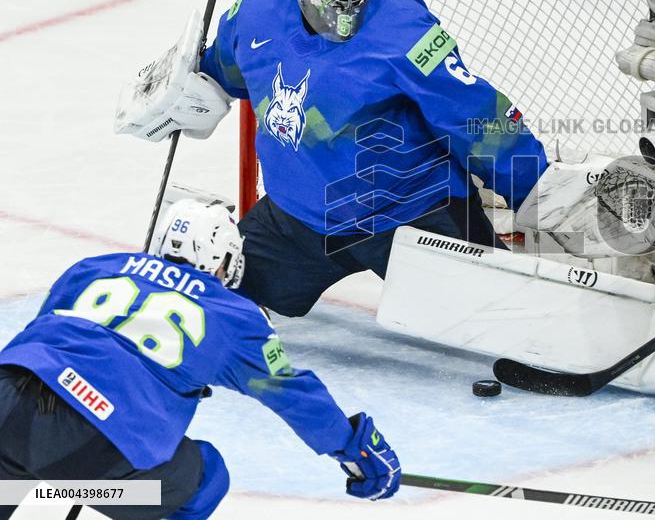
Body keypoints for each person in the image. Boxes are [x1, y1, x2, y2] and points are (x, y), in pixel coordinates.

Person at [117, 0, 547, 318]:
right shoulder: (259, 2)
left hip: (409, 212)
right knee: (206, 300)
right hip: (298, 218)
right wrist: (190, 86)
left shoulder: (403, 28)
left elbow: (474, 114)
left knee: (503, 317)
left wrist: (537, 196)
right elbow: (227, 69)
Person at [0, 199, 400, 519]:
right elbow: (290, 392)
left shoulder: (94, 268)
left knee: (16, 471)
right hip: (95, 445)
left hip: (6, 403)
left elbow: (40, 340)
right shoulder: (233, 318)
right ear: (224, 258)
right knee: (205, 476)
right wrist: (353, 447)